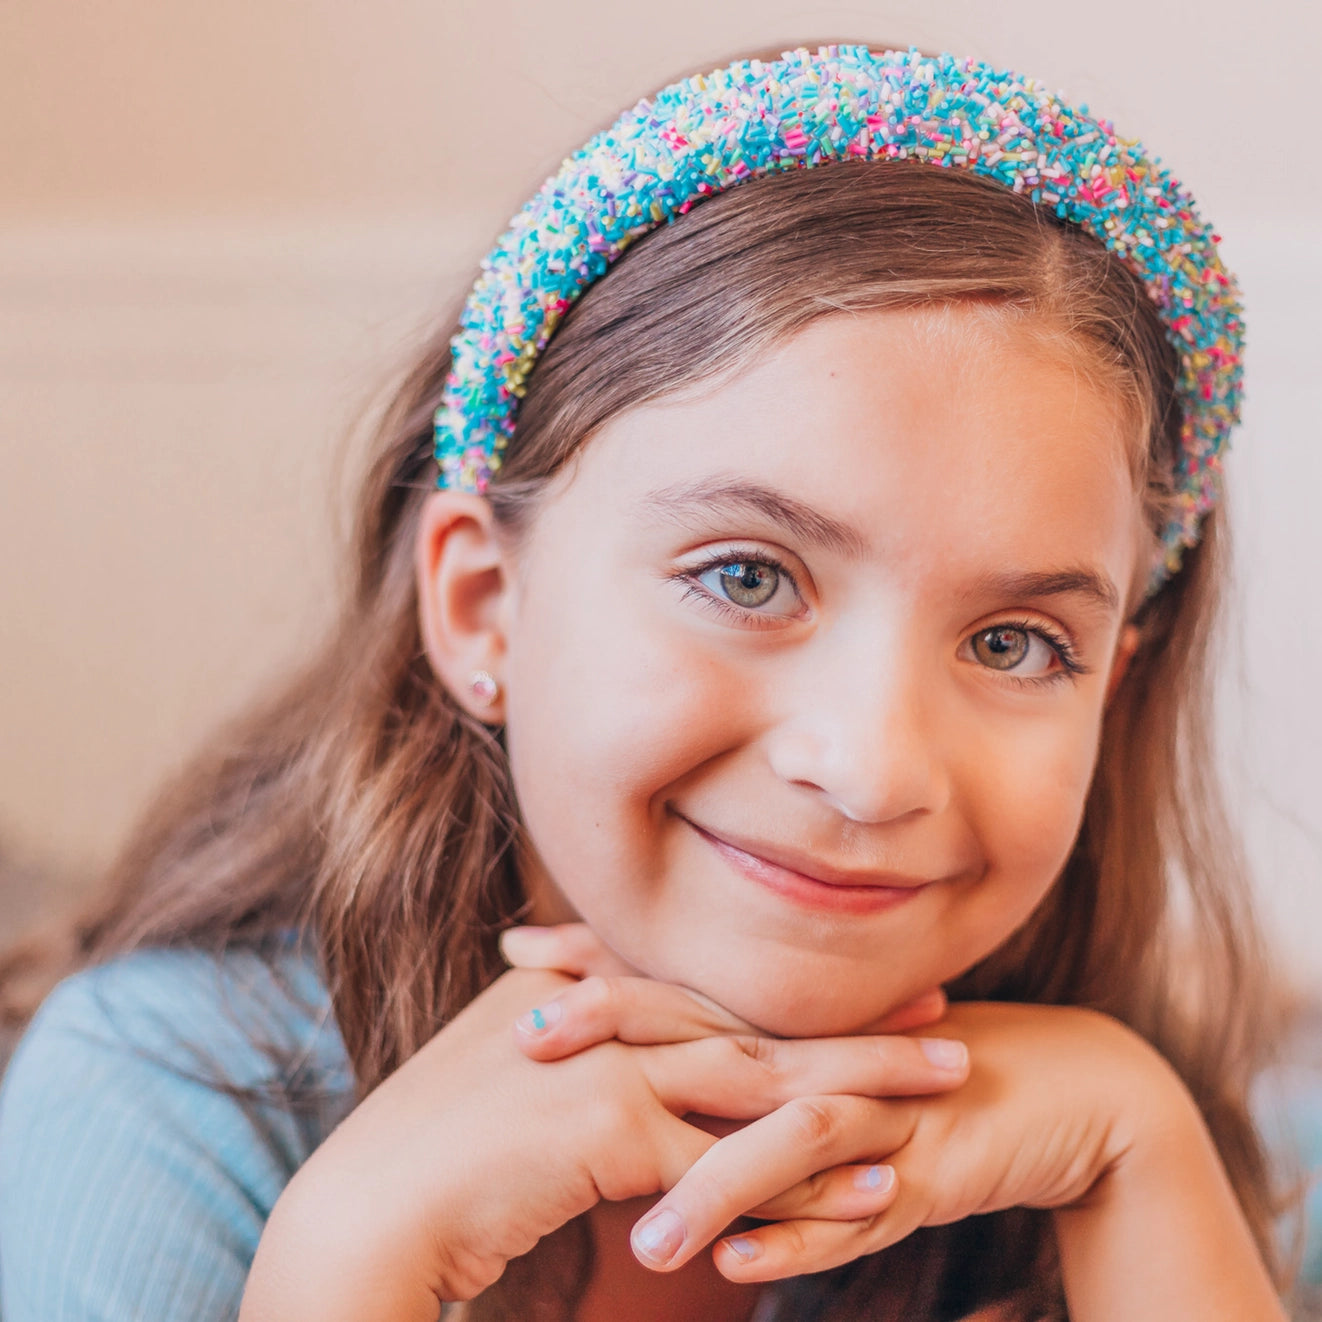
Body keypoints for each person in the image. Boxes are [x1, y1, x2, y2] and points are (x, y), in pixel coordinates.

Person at [0, 44, 1304, 1322]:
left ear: (1110, 696)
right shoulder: (157, 1102)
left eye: (1014, 642)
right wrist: (345, 1269)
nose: (871, 765)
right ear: (480, 604)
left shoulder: (1160, 1130)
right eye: (745, 576)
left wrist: (1145, 1163)